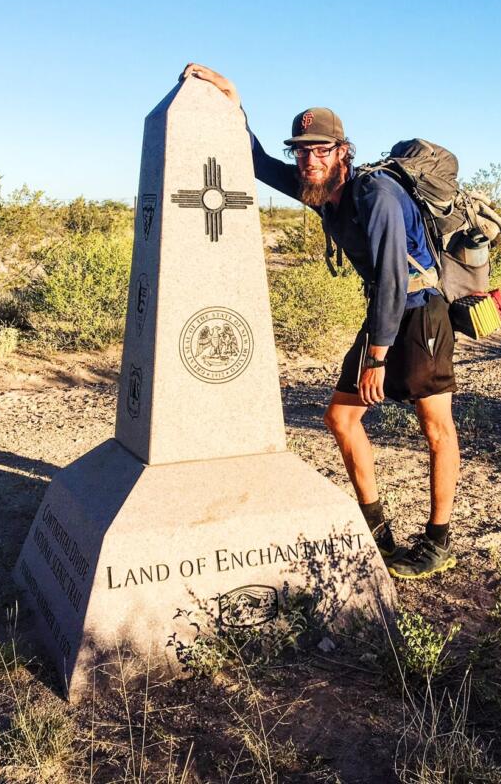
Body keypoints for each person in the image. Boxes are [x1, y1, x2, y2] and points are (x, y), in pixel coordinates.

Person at [182, 63, 460, 580]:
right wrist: (233, 104)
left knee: (434, 426)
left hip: (421, 312)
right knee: (341, 418)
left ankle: (437, 539)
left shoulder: (374, 194)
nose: (308, 159)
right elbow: (259, 164)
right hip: (386, 311)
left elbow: (396, 280)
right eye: (302, 150)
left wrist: (376, 359)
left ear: (342, 151)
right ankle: (377, 532)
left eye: (320, 149)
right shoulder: (319, 189)